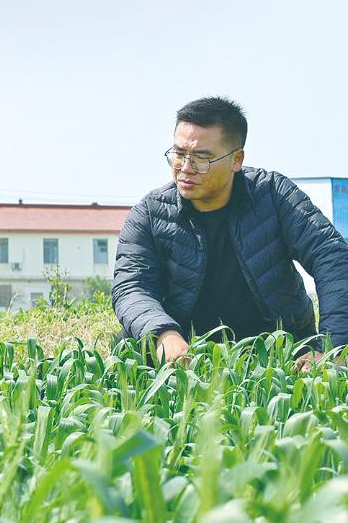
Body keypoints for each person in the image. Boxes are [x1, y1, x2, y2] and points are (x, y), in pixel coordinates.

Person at [113, 96, 348, 365]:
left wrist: (333, 347)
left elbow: (331, 257)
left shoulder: (274, 195)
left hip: (278, 350)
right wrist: (163, 333)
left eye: (202, 158)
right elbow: (132, 286)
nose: (186, 168)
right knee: (127, 347)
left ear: (236, 159)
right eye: (178, 154)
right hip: (186, 353)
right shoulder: (150, 213)